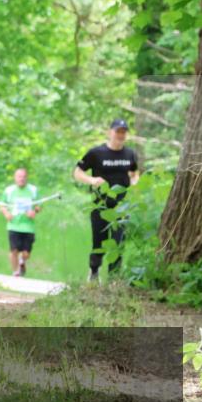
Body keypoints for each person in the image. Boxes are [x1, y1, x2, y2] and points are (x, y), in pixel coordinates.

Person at [73, 119, 140, 281]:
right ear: (110, 132)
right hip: (100, 205)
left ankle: (114, 279)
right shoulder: (96, 153)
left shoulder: (130, 154)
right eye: (117, 131)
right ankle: (94, 271)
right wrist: (92, 180)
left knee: (119, 242)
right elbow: (77, 172)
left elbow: (135, 172)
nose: (120, 135)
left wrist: (134, 183)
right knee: (99, 242)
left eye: (123, 132)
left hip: (122, 207)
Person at [1, 167, 40, 277]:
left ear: (27, 178)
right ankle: (15, 272)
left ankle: (22, 261)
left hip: (28, 226)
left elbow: (39, 205)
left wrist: (34, 211)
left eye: (23, 177)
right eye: (19, 176)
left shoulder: (33, 190)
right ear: (15, 178)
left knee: (26, 253)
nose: (21, 179)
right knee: (14, 250)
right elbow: (2, 204)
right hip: (13, 225)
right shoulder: (9, 190)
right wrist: (6, 214)